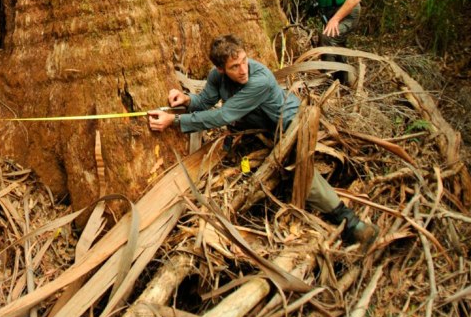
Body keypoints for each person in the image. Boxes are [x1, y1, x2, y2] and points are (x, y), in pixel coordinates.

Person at [148, 34, 377, 247]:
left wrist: (175, 121)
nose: (242, 70)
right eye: (234, 67)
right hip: (259, 131)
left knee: (303, 171)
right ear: (220, 68)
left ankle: (349, 222)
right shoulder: (216, 76)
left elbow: (223, 115)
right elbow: (205, 101)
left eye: (244, 61)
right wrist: (186, 100)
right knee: (246, 166)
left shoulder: (260, 80)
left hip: (292, 126)